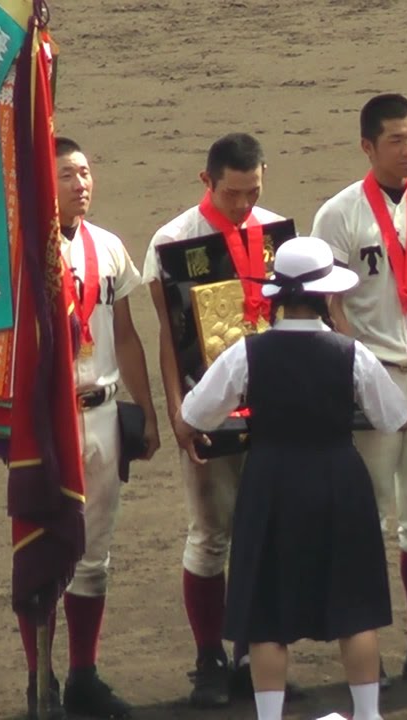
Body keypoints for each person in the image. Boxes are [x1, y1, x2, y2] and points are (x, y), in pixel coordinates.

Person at [175, 236, 407, 720]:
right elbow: (394, 415)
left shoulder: (248, 352)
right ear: (325, 295)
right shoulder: (351, 353)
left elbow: (194, 411)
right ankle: (367, 715)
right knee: (356, 611)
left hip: (272, 480)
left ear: (279, 295)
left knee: (266, 619)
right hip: (339, 479)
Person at [312, 93, 407, 683]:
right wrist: (357, 370)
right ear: (368, 146)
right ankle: (366, 644)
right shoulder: (340, 214)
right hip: (373, 378)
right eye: (397, 140)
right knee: (368, 517)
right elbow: (332, 304)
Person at [142, 132, 289, 706]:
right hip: (207, 409)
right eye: (233, 194)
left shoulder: (275, 234)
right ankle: (209, 657)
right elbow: (168, 337)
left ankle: (256, 650)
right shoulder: (174, 240)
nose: (244, 205)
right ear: (208, 181)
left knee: (267, 530)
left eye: (253, 191)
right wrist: (178, 414)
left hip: (271, 410)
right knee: (209, 535)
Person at [16, 137, 160, 719]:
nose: (83, 184)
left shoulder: (108, 247)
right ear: (46, 185)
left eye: (86, 172)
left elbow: (124, 334)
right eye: (69, 174)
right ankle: (37, 681)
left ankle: (82, 674)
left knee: (94, 553)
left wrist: (146, 413)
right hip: (48, 424)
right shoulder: (24, 253)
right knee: (40, 550)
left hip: (101, 412)